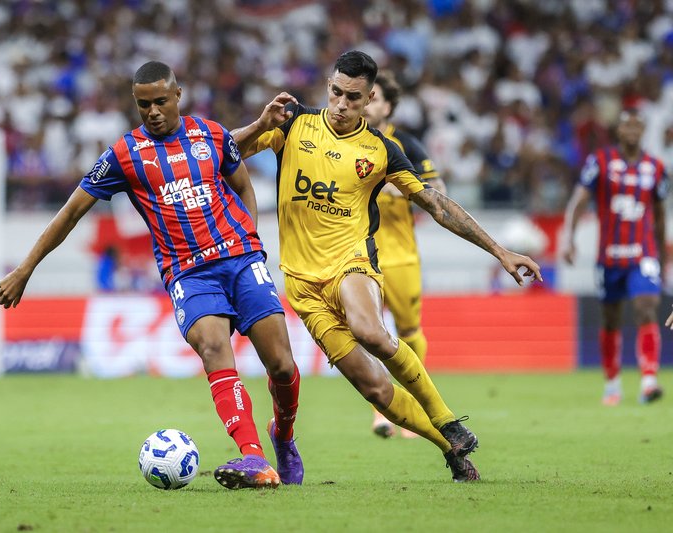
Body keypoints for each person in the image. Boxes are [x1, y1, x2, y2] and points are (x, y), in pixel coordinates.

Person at [232, 50, 542, 482]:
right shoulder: (292, 123)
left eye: (353, 98)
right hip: (303, 284)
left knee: (371, 331)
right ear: (328, 86)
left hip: (352, 262)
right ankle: (448, 446)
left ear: (370, 97)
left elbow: (436, 203)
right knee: (375, 389)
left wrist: (500, 251)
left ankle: (446, 417)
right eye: (336, 93)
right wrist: (259, 125)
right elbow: (220, 154)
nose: (341, 104)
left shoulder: (380, 150)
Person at [0, 61, 303, 490]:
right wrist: (25, 269)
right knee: (214, 348)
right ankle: (254, 458)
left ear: (177, 95)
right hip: (189, 273)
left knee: (282, 365)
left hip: (241, 259)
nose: (153, 111)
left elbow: (242, 183)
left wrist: (249, 235)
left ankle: (282, 437)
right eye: (143, 105)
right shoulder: (125, 155)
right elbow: (71, 212)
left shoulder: (210, 134)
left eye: (160, 101)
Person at [561, 108, 667, 406]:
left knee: (647, 306)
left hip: (643, 252)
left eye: (637, 124)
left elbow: (659, 216)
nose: (632, 129)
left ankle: (648, 381)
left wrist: (661, 256)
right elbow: (579, 200)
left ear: (643, 129)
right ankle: (612, 383)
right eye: (626, 124)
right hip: (609, 255)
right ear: (618, 131)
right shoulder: (600, 162)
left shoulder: (657, 167)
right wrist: (569, 238)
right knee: (611, 319)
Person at [363, 70, 447, 439]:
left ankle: (416, 404)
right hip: (362, 256)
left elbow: (438, 189)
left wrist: (401, 189)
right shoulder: (349, 143)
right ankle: (381, 412)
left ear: (389, 106)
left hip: (401, 257)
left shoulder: (406, 145)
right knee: (372, 334)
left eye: (375, 98)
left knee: (409, 330)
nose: (367, 105)